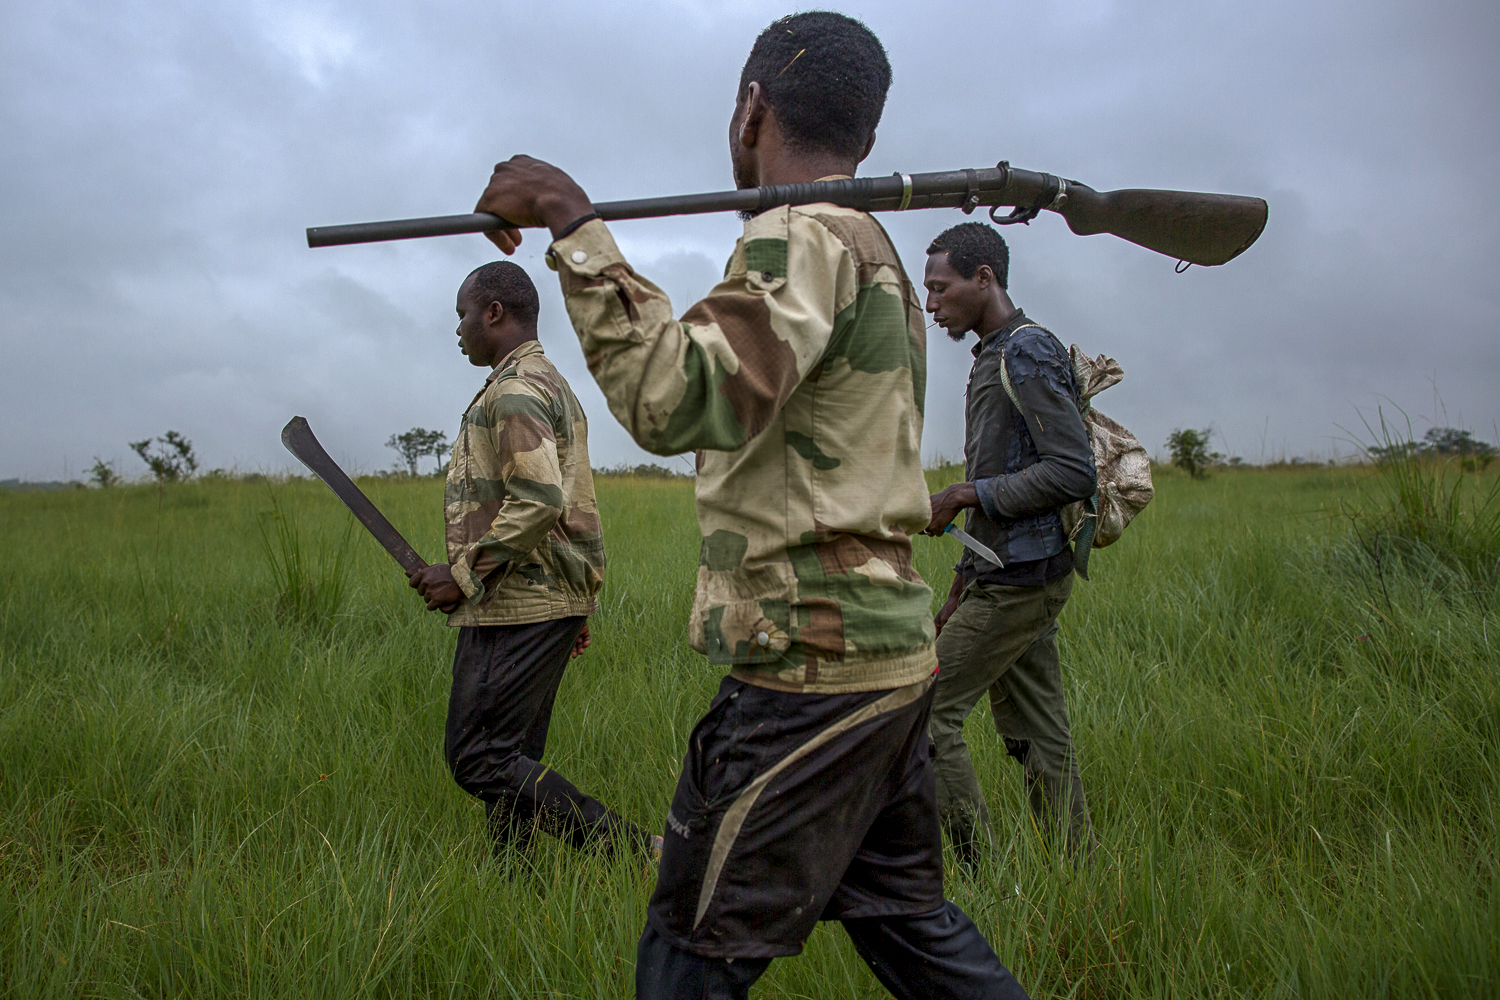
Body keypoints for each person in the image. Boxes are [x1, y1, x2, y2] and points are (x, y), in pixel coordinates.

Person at [470, 12, 1032, 1000]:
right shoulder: (868, 243)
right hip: (881, 659)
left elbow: (678, 394)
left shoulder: (802, 236)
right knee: (909, 927)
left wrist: (571, 219)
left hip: (813, 667)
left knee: (691, 949)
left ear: (752, 109)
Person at [407, 261, 654, 859]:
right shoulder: (547, 382)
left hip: (517, 603)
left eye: (463, 314)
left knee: (479, 759)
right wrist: (576, 604)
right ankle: (517, 884)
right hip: (545, 599)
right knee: (513, 757)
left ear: (493, 311)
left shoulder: (516, 389)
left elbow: (541, 499)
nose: (459, 329)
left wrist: (462, 575)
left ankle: (635, 853)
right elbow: (570, 504)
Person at [921, 222, 1099, 866]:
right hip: (1009, 573)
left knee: (922, 715)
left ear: (983, 278)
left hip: (1023, 580)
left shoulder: (1024, 351)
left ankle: (980, 872)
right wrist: (958, 592)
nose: (933, 304)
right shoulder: (995, 353)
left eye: (940, 289)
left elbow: (1073, 470)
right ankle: (1076, 870)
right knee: (1040, 734)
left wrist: (966, 494)